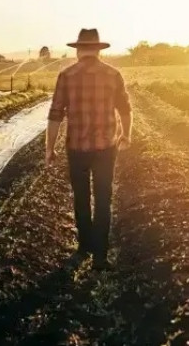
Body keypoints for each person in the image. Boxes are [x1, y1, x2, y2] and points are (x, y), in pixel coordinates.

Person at [45, 28, 132, 270]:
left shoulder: (66, 75)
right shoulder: (113, 74)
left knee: (81, 198)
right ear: (98, 49)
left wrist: (49, 148)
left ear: (78, 50)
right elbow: (125, 109)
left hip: (77, 148)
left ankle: (84, 247)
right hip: (106, 148)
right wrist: (127, 135)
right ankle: (100, 257)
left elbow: (55, 115)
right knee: (104, 199)